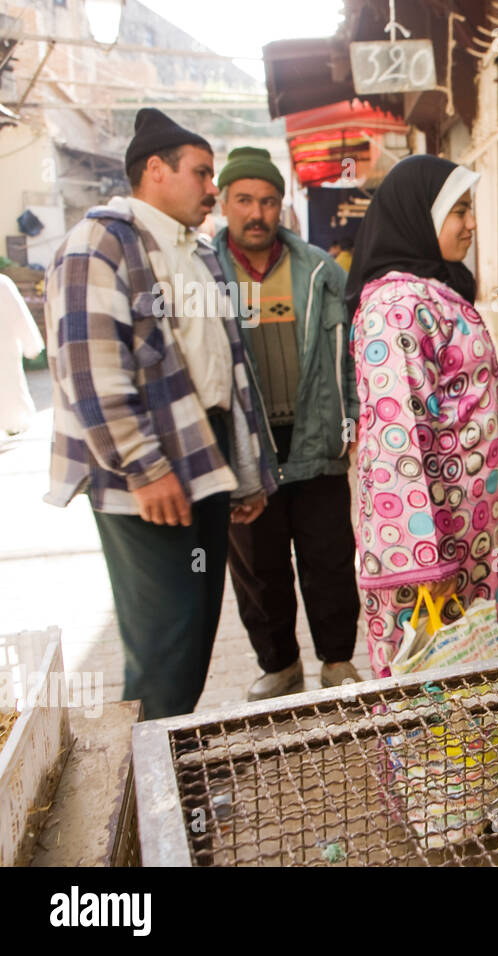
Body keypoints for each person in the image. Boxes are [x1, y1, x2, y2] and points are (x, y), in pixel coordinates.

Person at [44, 109, 276, 719]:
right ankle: (143, 798)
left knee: (197, 623)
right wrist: (144, 468)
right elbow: (89, 372)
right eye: (201, 174)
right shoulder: (100, 244)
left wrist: (245, 473)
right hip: (148, 469)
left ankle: (173, 777)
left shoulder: (193, 252)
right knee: (164, 636)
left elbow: (229, 371)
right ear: (155, 169)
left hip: (205, 455)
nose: (211, 191)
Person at [345, 155, 498, 678]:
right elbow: (396, 442)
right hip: (442, 553)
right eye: (459, 210)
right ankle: (472, 764)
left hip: (475, 539)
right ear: (418, 217)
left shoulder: (435, 294)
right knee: (447, 691)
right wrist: (424, 562)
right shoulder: (396, 308)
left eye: (470, 208)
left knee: (482, 677)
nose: (472, 224)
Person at [213, 147, 361, 699]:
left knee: (328, 557)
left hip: (316, 440)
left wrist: (349, 423)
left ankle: (338, 660)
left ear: (282, 207)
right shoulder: (206, 273)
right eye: (245, 200)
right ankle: (279, 665)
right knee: (258, 567)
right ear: (225, 203)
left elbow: (347, 358)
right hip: (246, 451)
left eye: (268, 201)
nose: (257, 212)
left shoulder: (319, 270)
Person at [0, 273, 43, 435]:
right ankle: (14, 422)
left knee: (10, 385)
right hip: (5, 346)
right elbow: (19, 316)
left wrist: (31, 345)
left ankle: (15, 422)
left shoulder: (3, 283)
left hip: (5, 346)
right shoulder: (3, 283)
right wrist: (31, 345)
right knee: (10, 385)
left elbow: (19, 315)